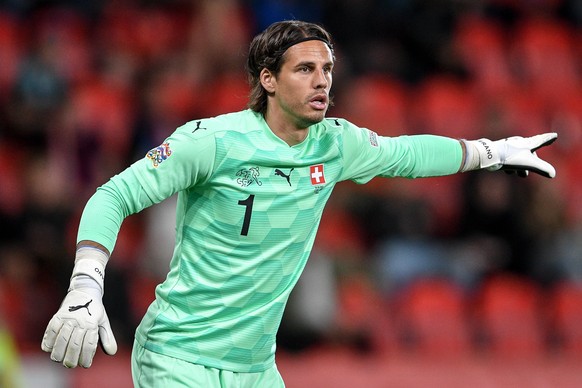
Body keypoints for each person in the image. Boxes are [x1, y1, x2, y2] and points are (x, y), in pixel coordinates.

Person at [41, 20, 557, 387]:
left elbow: (407, 153)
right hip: (178, 358)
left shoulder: (336, 143)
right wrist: (86, 284)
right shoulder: (211, 142)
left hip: (256, 367)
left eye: (327, 69)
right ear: (267, 80)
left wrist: (489, 151)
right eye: (305, 69)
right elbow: (113, 195)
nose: (323, 81)